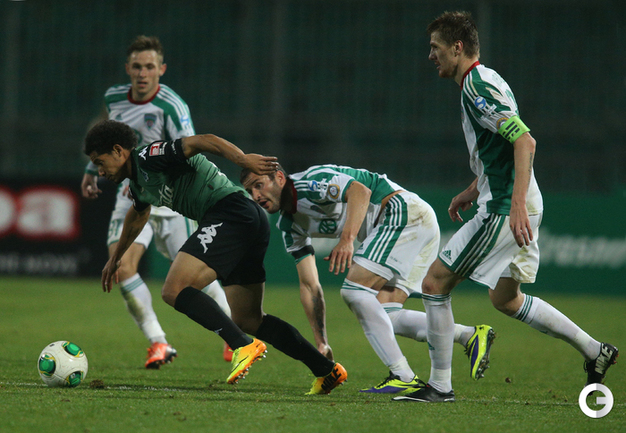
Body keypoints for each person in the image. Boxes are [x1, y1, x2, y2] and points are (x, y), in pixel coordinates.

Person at [393, 11, 618, 403]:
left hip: (504, 207)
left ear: (457, 47)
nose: (431, 55)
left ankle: (440, 386)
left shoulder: (476, 88)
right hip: (516, 198)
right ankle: (594, 350)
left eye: (435, 47)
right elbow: (500, 149)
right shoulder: (487, 78)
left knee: (434, 284)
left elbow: (524, 141)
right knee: (505, 298)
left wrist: (513, 205)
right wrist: (473, 187)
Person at [83, 119, 348, 394]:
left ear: (118, 151)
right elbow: (138, 214)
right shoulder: (139, 184)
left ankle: (242, 345)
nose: (100, 171)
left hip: (230, 212)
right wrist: (116, 257)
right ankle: (326, 369)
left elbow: (203, 140)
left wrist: (242, 159)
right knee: (248, 319)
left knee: (175, 289)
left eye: (100, 162)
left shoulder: (147, 156)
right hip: (247, 219)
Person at [241, 164, 494, 394]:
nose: (256, 195)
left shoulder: (310, 183)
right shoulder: (289, 227)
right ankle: (468, 335)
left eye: (259, 185)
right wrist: (322, 342)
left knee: (354, 291)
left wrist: (347, 240)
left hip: (400, 211)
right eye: (250, 191)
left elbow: (360, 191)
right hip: (414, 222)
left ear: (279, 178)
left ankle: (402, 375)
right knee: (386, 314)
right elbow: (310, 286)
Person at [81, 35, 234, 367]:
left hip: (169, 197)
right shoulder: (113, 97)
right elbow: (104, 137)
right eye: (137, 66)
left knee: (196, 275)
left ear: (161, 69)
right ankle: (159, 342)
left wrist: (149, 179)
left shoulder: (172, 106)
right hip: (130, 195)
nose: (142, 73)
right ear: (127, 68)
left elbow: (189, 152)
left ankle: (232, 335)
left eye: (149, 67)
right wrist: (92, 170)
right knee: (122, 266)